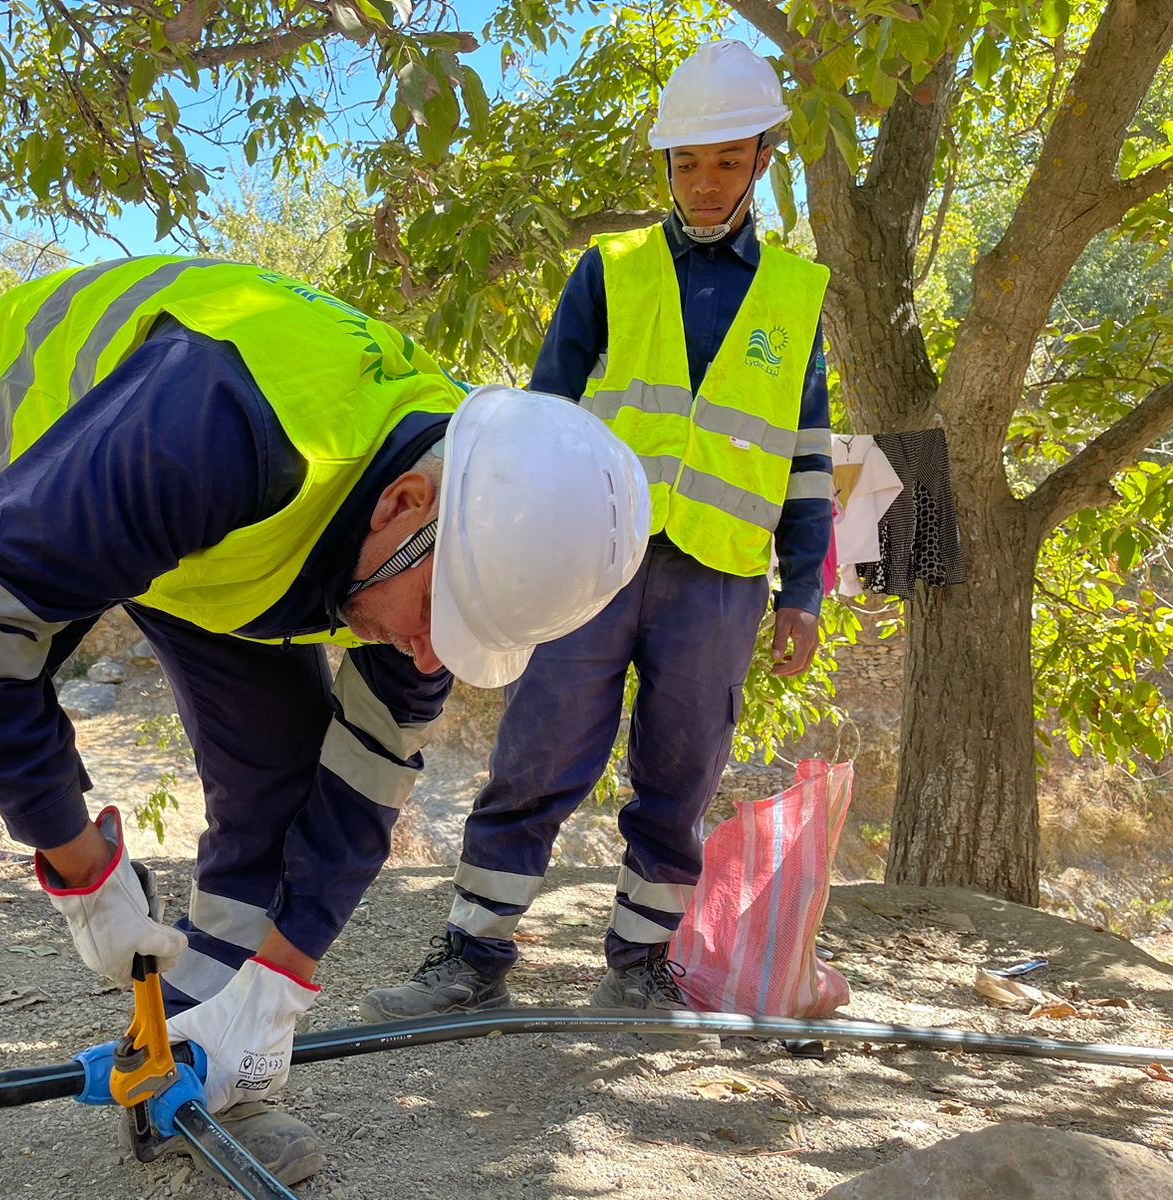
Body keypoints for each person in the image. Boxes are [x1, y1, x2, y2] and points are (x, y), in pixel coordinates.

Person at [0, 257, 650, 1199]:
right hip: (37, 447)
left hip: (233, 534)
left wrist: (283, 980)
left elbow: (367, 772)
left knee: (287, 778)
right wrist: (80, 864)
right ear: (402, 503)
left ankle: (195, 1072)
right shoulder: (218, 432)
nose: (433, 659)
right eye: (439, 620)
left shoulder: (458, 526)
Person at [362, 40, 834, 1029]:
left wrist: (800, 593)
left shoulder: (796, 299)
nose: (704, 182)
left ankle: (640, 961)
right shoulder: (607, 271)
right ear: (664, 165)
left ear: (760, 159)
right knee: (538, 753)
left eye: (726, 160)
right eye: (686, 161)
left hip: (718, 578)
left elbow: (804, 460)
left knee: (680, 772)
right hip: (587, 562)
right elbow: (540, 421)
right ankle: (474, 950)